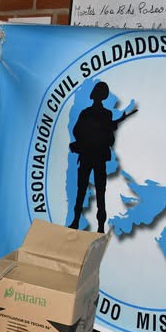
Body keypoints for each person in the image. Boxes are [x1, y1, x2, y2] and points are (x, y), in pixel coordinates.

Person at [69, 81, 137, 232]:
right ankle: (88, 224)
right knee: (93, 191)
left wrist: (106, 130)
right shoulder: (100, 114)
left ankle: (90, 224)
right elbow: (79, 132)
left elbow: (80, 132)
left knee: (90, 191)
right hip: (92, 156)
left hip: (92, 156)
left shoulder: (93, 113)